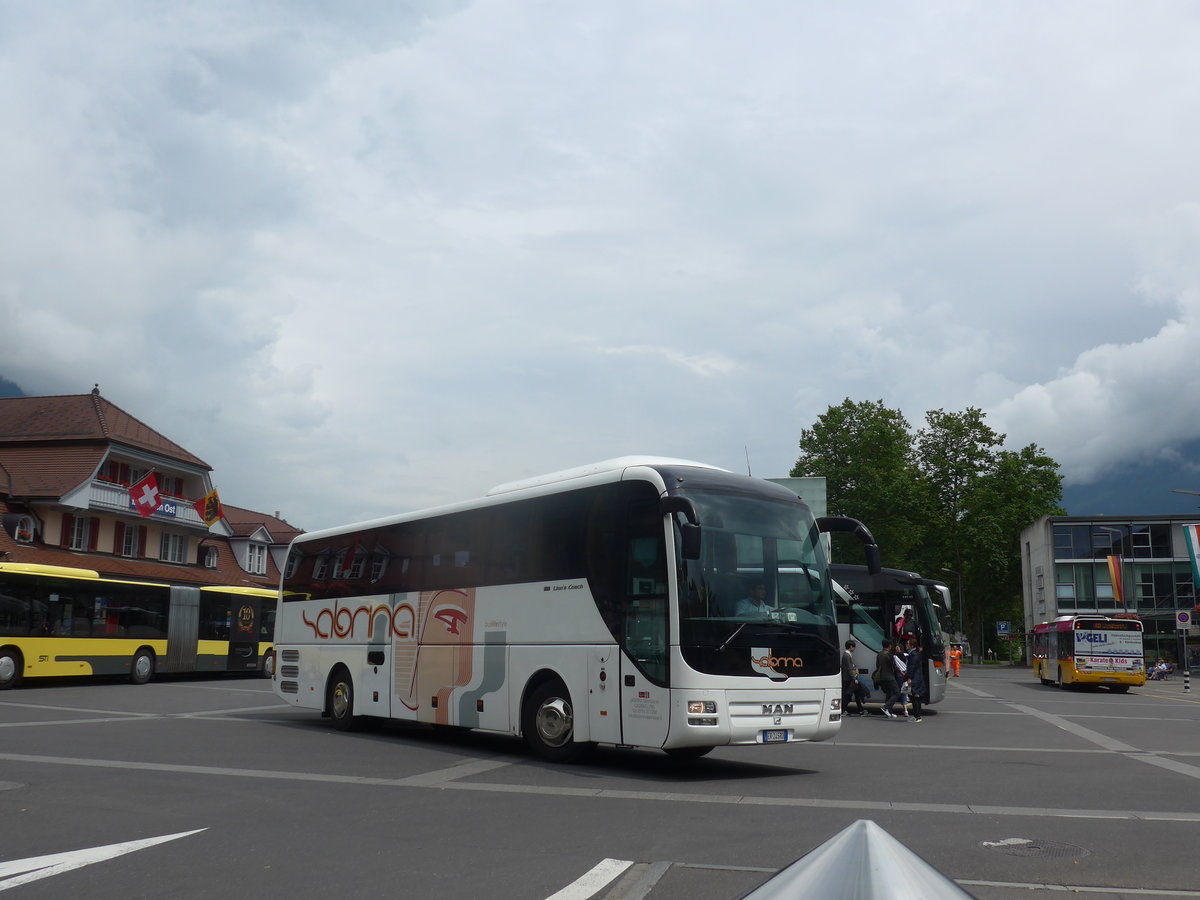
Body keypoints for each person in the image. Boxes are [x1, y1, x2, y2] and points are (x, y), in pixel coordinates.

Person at [841, 639, 868, 716]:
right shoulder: (846, 656)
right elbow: (849, 669)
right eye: (854, 647)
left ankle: (860, 710)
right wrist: (854, 679)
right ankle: (843, 710)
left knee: (855, 694)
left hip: (849, 678)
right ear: (851, 647)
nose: (854, 649)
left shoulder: (847, 655)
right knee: (848, 695)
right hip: (848, 679)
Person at [876, 639, 901, 718]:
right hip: (890, 677)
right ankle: (886, 707)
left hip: (882, 677)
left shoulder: (879, 654)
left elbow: (877, 666)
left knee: (889, 694)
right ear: (889, 646)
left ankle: (889, 712)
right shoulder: (889, 655)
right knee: (897, 693)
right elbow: (894, 666)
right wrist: (902, 673)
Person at [905, 636, 925, 723]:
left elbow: (912, 667)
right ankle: (917, 716)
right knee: (916, 697)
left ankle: (917, 716)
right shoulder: (916, 653)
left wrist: (909, 677)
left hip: (915, 678)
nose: (906, 645)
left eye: (907, 644)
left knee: (914, 698)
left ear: (912, 645)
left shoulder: (913, 654)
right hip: (917, 678)